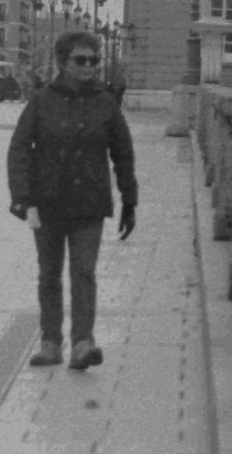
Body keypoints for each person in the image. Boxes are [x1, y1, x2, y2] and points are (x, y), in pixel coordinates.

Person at [7, 29, 137, 372]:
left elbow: (123, 153)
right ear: (62, 63)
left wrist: (130, 201)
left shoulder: (106, 102)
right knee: (48, 272)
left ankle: (83, 342)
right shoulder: (41, 101)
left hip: (89, 202)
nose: (89, 66)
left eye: (94, 60)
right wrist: (21, 197)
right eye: (81, 60)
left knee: (84, 272)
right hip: (42, 203)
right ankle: (51, 342)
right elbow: (19, 149)